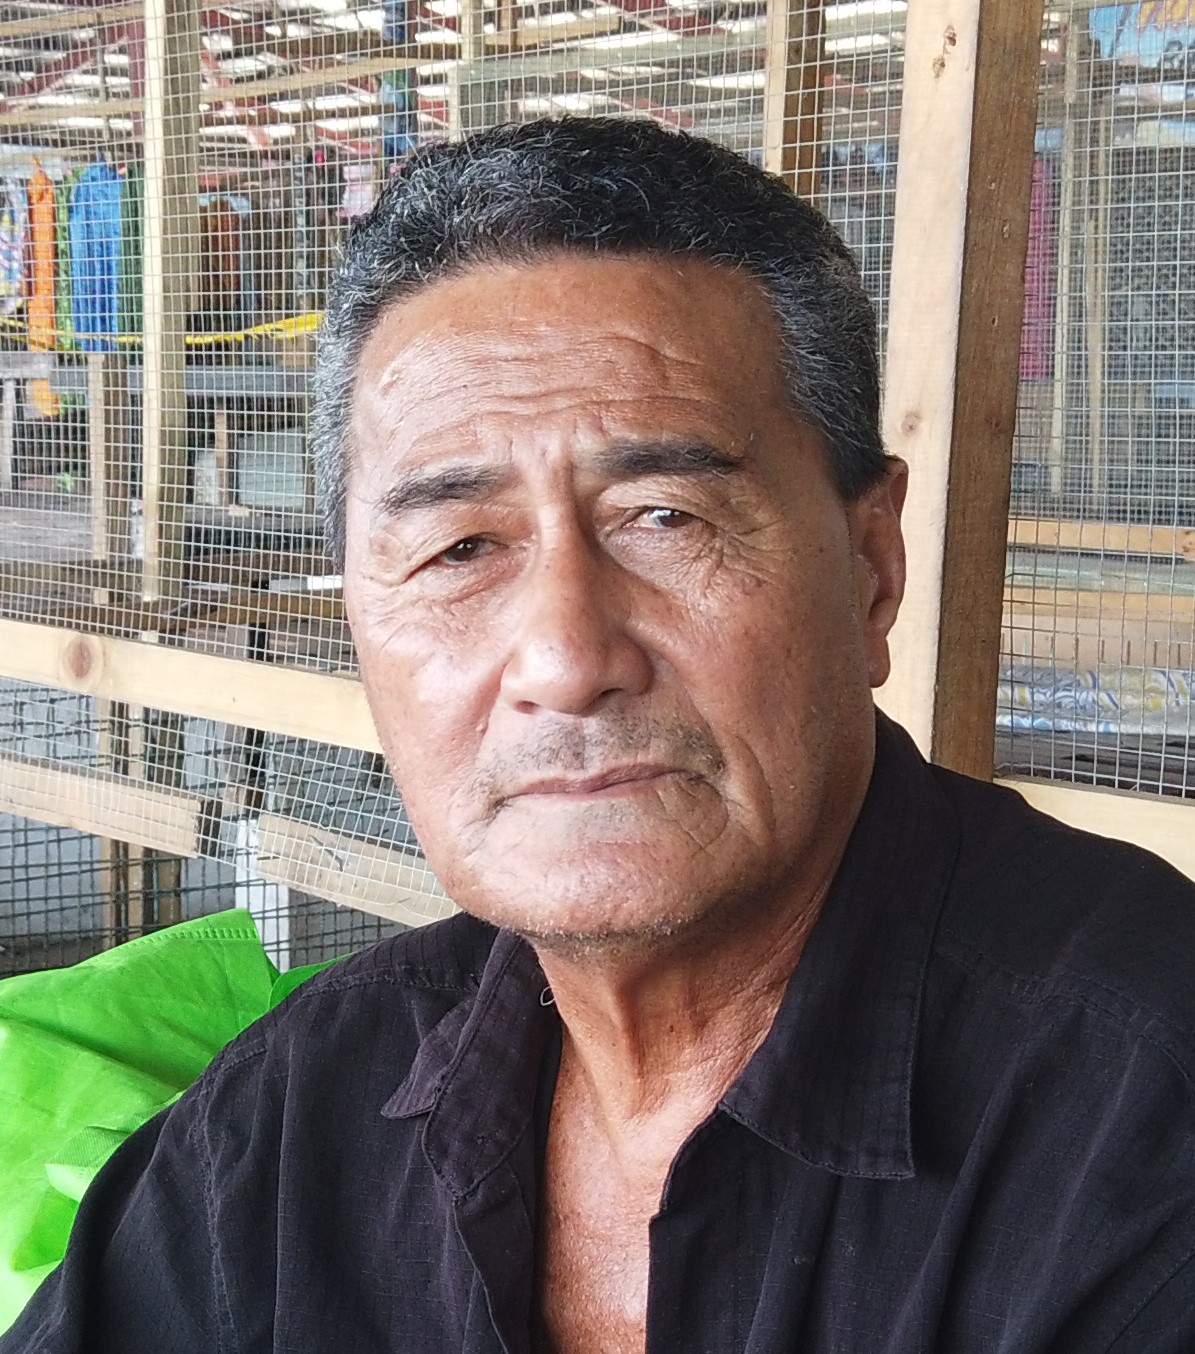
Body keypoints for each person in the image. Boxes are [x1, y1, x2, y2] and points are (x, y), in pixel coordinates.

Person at [6, 116, 1195, 1354]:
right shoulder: (295, 1123)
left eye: (666, 517)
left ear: (870, 567)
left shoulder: (1141, 1130)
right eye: (459, 547)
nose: (567, 660)